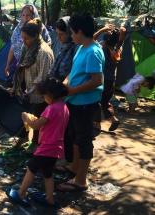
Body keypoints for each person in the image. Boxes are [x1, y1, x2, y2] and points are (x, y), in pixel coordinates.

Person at [56, 13, 104, 192]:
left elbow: (97, 80)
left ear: (80, 31)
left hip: (85, 103)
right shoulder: (82, 47)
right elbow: (74, 71)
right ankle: (75, 167)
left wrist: (72, 90)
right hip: (75, 102)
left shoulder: (93, 51)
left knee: (84, 140)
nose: (71, 36)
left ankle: (81, 181)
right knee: (75, 136)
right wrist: (66, 83)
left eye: (72, 32)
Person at [7, 78, 69, 207]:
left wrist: (26, 118)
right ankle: (50, 198)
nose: (44, 98)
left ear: (50, 95)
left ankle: (21, 194)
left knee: (31, 167)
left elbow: (35, 126)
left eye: (44, 96)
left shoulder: (51, 109)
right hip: (57, 147)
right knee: (48, 173)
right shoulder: (64, 107)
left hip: (47, 146)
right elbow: (49, 123)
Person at [0, 18, 54, 146]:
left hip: (40, 95)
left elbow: (43, 78)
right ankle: (23, 137)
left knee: (37, 120)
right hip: (27, 90)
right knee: (23, 116)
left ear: (36, 36)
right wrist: (16, 87)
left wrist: (29, 91)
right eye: (22, 38)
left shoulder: (44, 52)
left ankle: (35, 145)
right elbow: (21, 67)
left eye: (26, 38)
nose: (24, 41)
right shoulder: (26, 47)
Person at [4, 4, 52, 80]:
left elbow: (47, 45)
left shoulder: (39, 28)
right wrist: (7, 65)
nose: (25, 18)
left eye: (28, 15)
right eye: (23, 15)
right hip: (21, 64)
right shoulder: (18, 28)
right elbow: (13, 46)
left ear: (33, 15)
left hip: (36, 66)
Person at [93, 25, 126, 131]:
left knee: (96, 101)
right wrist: (121, 35)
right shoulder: (118, 49)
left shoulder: (103, 47)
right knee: (105, 102)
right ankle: (114, 119)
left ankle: (97, 124)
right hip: (111, 80)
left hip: (102, 80)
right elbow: (120, 41)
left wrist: (101, 30)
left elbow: (91, 39)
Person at [49, 16, 77, 82]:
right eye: (57, 33)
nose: (58, 37)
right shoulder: (63, 47)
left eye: (61, 34)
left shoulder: (76, 49)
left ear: (69, 33)